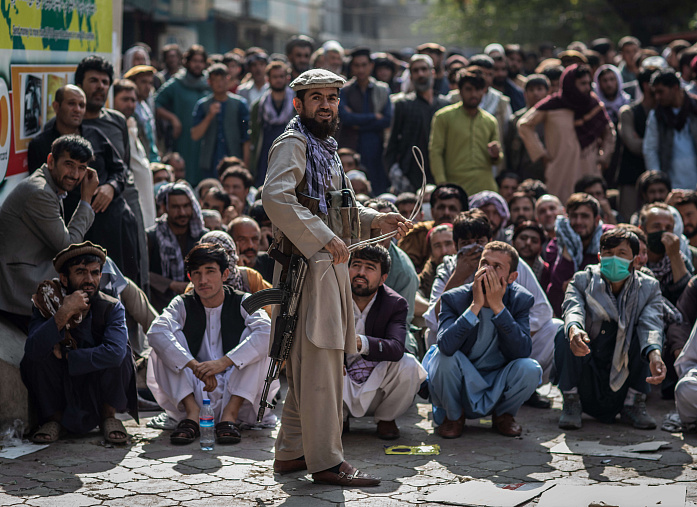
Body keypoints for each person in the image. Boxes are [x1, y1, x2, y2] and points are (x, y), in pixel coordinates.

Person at [262, 69, 411, 486]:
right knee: (322, 365)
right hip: (307, 270)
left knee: (313, 367)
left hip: (330, 268)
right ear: (299, 103)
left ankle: (292, 454)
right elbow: (275, 197)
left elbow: (341, 208)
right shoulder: (293, 143)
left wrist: (376, 216)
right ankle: (326, 462)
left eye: (332, 97)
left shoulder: (325, 147)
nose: (326, 105)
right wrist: (324, 238)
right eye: (317, 98)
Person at [147, 243, 275, 445]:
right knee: (164, 340)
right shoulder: (181, 303)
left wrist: (223, 363)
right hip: (194, 387)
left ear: (225, 274)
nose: (203, 280)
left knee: (260, 336)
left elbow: (268, 332)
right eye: (196, 273)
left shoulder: (244, 301)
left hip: (238, 391)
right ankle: (192, 414)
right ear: (189, 277)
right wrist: (194, 365)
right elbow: (155, 332)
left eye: (210, 272)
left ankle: (229, 417)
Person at [21, 242, 137, 443]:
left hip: (96, 382)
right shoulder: (47, 304)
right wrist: (63, 313)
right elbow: (33, 350)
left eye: (95, 273)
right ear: (64, 279)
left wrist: (68, 356)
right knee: (39, 355)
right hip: (63, 385)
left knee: (124, 353)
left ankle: (109, 416)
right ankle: (54, 420)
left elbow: (115, 353)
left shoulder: (112, 307)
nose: (89, 280)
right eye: (81, 272)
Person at [423, 241, 541, 438]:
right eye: (484, 263)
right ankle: (453, 417)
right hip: (462, 375)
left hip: (498, 376)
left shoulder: (521, 299)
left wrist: (498, 308)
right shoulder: (454, 298)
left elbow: (522, 350)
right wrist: (475, 306)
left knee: (530, 368)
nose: (488, 270)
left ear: (512, 277)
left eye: (497, 267)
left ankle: (504, 416)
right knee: (442, 358)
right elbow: (445, 345)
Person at [555, 228, 665, 430]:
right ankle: (571, 401)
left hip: (624, 368)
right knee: (564, 332)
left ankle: (633, 404)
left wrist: (655, 355)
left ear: (634, 259)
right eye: (608, 253)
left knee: (647, 340)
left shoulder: (649, 287)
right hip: (588, 361)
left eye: (622, 254)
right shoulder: (582, 280)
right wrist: (575, 329)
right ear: (599, 257)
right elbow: (572, 308)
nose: (614, 259)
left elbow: (652, 324)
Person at [0, 136, 97, 332]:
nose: (75, 174)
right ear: (51, 161)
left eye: (81, 168)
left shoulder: (50, 185)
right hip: (19, 283)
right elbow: (69, 248)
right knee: (99, 275)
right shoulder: (40, 192)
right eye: (69, 165)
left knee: (102, 273)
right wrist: (86, 200)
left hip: (34, 270)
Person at [343, 245, 427, 439]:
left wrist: (359, 342)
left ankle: (386, 419)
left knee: (409, 365)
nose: (361, 273)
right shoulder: (334, 297)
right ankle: (339, 418)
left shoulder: (395, 303)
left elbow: (397, 348)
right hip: (341, 377)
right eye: (356, 265)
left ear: (383, 278)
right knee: (320, 362)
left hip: (376, 380)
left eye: (370, 268)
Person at [518, 64, 616, 203]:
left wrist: (603, 158)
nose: (587, 88)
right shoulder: (552, 105)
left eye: (589, 83)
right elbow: (524, 125)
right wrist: (542, 155)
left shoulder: (593, 104)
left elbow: (609, 133)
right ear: (570, 84)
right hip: (560, 170)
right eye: (582, 84)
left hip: (589, 167)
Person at [384, 54, 450, 191]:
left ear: (432, 72)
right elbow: (392, 144)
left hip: (442, 173)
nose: (420, 74)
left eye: (424, 69)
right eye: (415, 70)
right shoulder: (403, 105)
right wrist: (395, 173)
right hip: (411, 174)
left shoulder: (445, 104)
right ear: (410, 76)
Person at [430, 70, 501, 196]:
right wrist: (442, 183)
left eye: (478, 89)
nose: (474, 94)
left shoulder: (490, 121)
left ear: (484, 91)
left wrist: (496, 154)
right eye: (469, 89)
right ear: (460, 90)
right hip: (455, 187)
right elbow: (436, 152)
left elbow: (497, 159)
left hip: (485, 187)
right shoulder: (443, 117)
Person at [546, 193, 612, 317]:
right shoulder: (557, 243)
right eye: (574, 216)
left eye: (584, 216)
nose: (578, 221)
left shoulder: (609, 238)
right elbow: (560, 283)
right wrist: (567, 245)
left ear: (597, 219)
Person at [338, 47, 392, 195]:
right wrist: (374, 117)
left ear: (371, 66)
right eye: (357, 65)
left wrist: (357, 122)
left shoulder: (382, 89)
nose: (360, 69)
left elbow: (386, 120)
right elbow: (346, 118)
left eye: (364, 65)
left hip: (376, 147)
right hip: (352, 147)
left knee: (376, 189)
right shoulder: (345, 90)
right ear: (352, 67)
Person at [147, 182, 208, 312]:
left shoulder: (202, 237)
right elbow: (142, 273)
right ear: (164, 207)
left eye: (186, 206)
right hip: (160, 305)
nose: (182, 212)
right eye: (175, 207)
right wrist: (171, 285)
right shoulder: (151, 237)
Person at [155, 45, 211, 183]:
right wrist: (173, 119)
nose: (197, 65)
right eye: (194, 61)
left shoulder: (209, 84)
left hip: (206, 140)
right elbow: (156, 102)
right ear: (186, 62)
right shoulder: (177, 83)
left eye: (201, 61)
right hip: (183, 139)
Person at [191, 64, 251, 180]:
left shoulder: (239, 104)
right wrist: (209, 115)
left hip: (234, 160)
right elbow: (195, 135)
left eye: (222, 79)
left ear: (228, 79)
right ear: (209, 82)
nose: (219, 84)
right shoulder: (203, 105)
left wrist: (245, 165)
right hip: (210, 162)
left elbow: (246, 138)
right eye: (215, 80)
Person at [643, 69, 697, 191]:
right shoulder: (657, 116)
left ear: (675, 88)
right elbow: (650, 149)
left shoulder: (694, 108)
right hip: (672, 182)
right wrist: (657, 180)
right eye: (655, 93)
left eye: (661, 92)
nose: (657, 97)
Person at [112, 79, 157, 229]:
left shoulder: (131, 125)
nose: (130, 105)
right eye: (125, 99)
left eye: (133, 100)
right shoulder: (113, 130)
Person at [397, 183, 468, 272]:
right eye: (441, 208)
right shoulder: (418, 234)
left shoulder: (468, 236)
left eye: (452, 208)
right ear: (432, 211)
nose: (446, 212)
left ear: (461, 213)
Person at [617, 67, 656, 219]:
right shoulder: (628, 112)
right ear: (646, 85)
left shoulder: (665, 112)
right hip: (631, 178)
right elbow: (633, 144)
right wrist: (655, 145)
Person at [249, 61, 294, 186]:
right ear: (268, 79)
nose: (278, 80)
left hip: (290, 154)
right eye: (275, 77)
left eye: (281, 76)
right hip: (265, 156)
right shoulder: (258, 106)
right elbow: (254, 137)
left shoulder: (297, 104)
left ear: (287, 78)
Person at [639, 202, 693, 306]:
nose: (663, 232)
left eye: (668, 228)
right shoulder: (634, 258)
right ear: (642, 230)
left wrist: (674, 256)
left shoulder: (680, 258)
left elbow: (687, 298)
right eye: (656, 227)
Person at [504, 74, 550, 182]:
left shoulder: (552, 118)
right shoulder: (516, 119)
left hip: (547, 172)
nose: (535, 93)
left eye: (539, 89)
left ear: (548, 92)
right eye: (531, 90)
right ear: (525, 94)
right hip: (522, 173)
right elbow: (509, 150)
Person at [124, 65, 159, 163]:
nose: (148, 87)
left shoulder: (145, 106)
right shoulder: (129, 108)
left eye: (150, 83)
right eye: (143, 82)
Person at [229, 216, 275, 282]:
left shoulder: (271, 263)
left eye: (254, 239)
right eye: (243, 240)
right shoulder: (226, 269)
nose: (250, 245)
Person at [418, 224, 456, 299]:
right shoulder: (425, 277)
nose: (444, 251)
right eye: (437, 246)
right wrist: (434, 308)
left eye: (448, 244)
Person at [513, 221, 550, 290]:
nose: (528, 243)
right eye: (523, 238)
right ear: (513, 242)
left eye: (534, 241)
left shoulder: (546, 272)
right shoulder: (504, 267)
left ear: (541, 248)